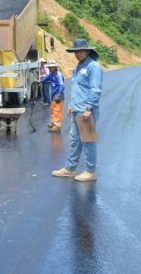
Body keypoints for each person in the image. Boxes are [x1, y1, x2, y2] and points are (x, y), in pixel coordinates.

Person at [52, 39, 103, 182]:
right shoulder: (79, 66)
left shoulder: (94, 67)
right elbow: (77, 89)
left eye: (81, 51)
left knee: (88, 140)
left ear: (88, 51)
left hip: (86, 110)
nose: (78, 54)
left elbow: (95, 89)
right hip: (76, 109)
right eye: (76, 51)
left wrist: (89, 108)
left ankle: (90, 171)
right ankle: (70, 168)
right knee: (74, 140)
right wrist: (70, 104)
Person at [39, 60, 64, 132]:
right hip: (54, 95)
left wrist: (59, 95)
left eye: (52, 68)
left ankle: (57, 126)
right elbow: (46, 78)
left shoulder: (58, 75)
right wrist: (39, 81)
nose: (50, 69)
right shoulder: (51, 74)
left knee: (57, 111)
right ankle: (53, 123)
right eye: (49, 68)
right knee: (53, 110)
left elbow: (62, 86)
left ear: (56, 67)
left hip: (58, 96)